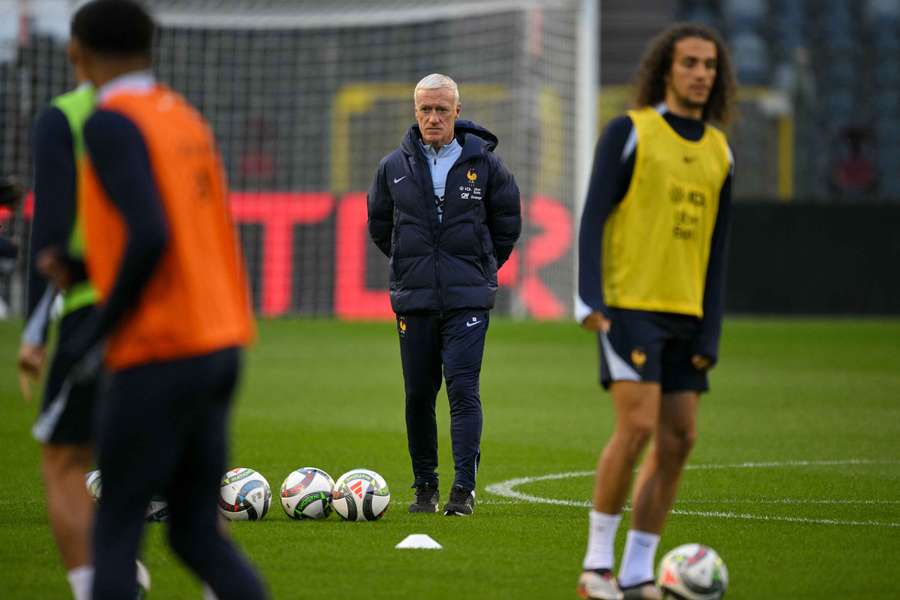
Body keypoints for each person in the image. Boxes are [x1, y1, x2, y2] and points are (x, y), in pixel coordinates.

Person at [54, 1, 267, 597]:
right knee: (195, 533)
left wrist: (101, 328)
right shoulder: (184, 117)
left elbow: (150, 233)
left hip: (157, 348)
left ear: (77, 51)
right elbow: (176, 230)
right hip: (218, 341)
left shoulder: (110, 121)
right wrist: (78, 266)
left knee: (117, 527)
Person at [575, 24, 736, 600]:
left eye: (709, 65)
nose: (700, 73)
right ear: (666, 69)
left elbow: (717, 252)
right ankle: (597, 567)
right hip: (628, 307)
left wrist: (710, 330)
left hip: (686, 315)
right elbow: (593, 217)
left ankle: (639, 571)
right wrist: (588, 299)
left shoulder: (720, 150)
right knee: (637, 426)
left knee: (679, 439)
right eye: (689, 62)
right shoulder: (630, 131)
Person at [367, 73, 521, 516]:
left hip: (467, 300)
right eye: (425, 110)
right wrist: (410, 265)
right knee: (418, 393)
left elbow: (507, 223)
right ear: (415, 113)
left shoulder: (487, 165)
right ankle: (424, 487)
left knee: (462, 388)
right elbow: (381, 227)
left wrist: (479, 269)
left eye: (441, 110)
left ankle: (464, 490)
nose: (433, 117)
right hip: (414, 300)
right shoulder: (392, 167)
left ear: (457, 110)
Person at [16, 74, 106, 600]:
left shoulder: (66, 116)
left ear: (77, 54)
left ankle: (97, 586)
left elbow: (48, 231)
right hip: (179, 319)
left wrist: (34, 331)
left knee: (63, 458)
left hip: (92, 307)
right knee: (177, 472)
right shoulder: (175, 115)